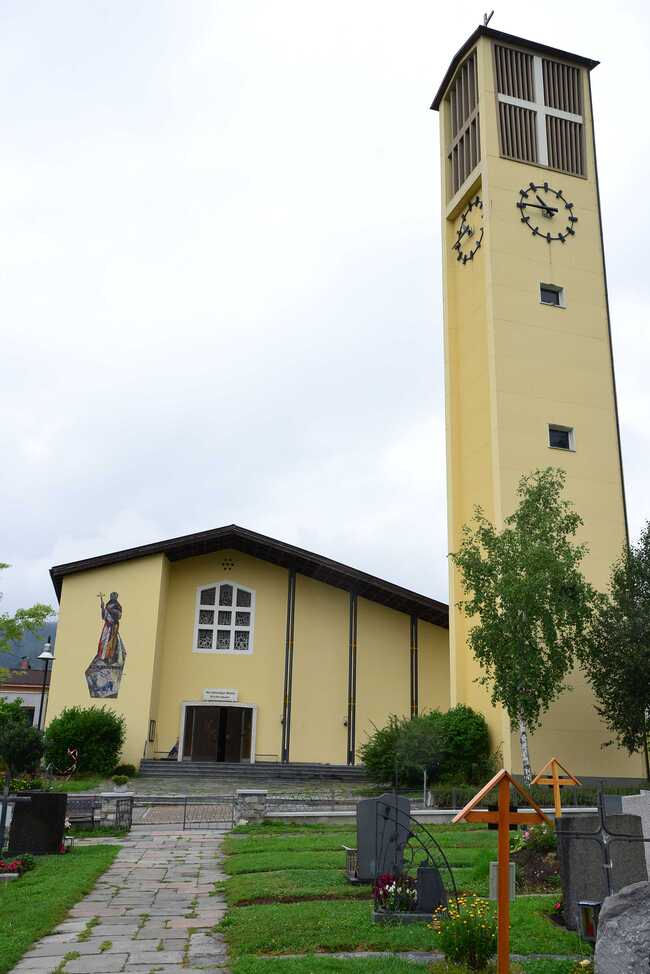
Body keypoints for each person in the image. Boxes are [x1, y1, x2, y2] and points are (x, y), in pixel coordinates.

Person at [96, 592, 126, 666]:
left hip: (113, 626)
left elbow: (119, 616)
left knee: (111, 642)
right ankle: (103, 657)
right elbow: (104, 616)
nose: (112, 597)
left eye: (113, 596)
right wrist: (102, 608)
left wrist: (110, 609)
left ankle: (110, 658)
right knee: (103, 641)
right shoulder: (108, 605)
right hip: (107, 626)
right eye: (111, 596)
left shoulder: (118, 606)